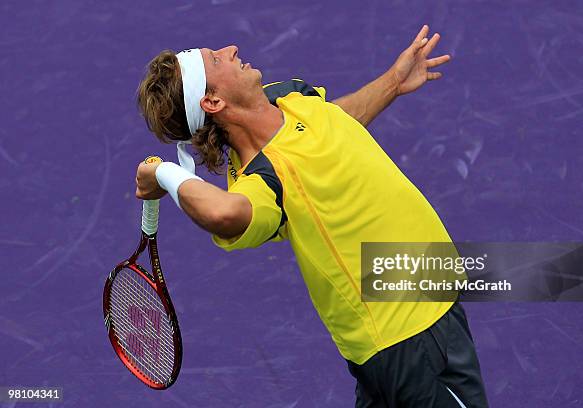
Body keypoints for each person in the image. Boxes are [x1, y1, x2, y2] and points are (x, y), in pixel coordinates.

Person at [135, 25, 489, 407]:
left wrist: (392, 82)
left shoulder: (287, 97)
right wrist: (164, 173)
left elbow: (332, 121)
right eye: (217, 59)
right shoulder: (266, 180)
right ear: (213, 102)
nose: (232, 48)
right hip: (411, 335)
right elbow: (221, 213)